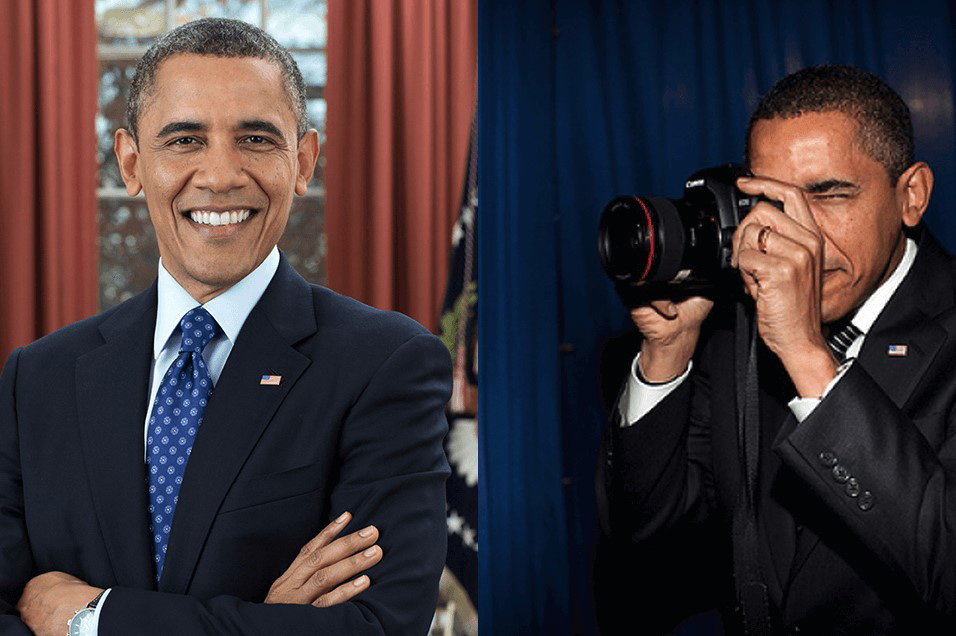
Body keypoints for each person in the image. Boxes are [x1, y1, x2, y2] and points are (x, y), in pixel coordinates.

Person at [0, 18, 451, 636]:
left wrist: (93, 620)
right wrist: (266, 623)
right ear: (131, 163)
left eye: (256, 139)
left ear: (304, 160)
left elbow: (379, 626)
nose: (220, 176)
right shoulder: (37, 379)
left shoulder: (387, 364)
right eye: (185, 139)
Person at [598, 65, 956, 634]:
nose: (798, 236)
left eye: (828, 194)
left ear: (911, 195)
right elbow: (649, 541)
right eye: (772, 200)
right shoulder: (736, 328)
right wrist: (667, 353)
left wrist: (808, 357)